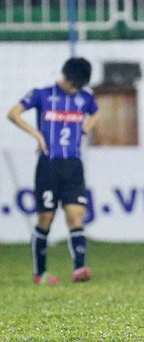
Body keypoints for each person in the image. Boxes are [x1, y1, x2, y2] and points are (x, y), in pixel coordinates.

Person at [7, 58, 100, 285]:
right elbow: (13, 113)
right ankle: (40, 273)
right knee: (45, 218)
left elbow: (96, 113)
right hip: (48, 165)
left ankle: (79, 268)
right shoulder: (42, 94)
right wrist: (37, 135)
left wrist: (84, 130)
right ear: (66, 77)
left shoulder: (85, 98)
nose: (75, 89)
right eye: (74, 84)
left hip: (73, 165)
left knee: (76, 216)